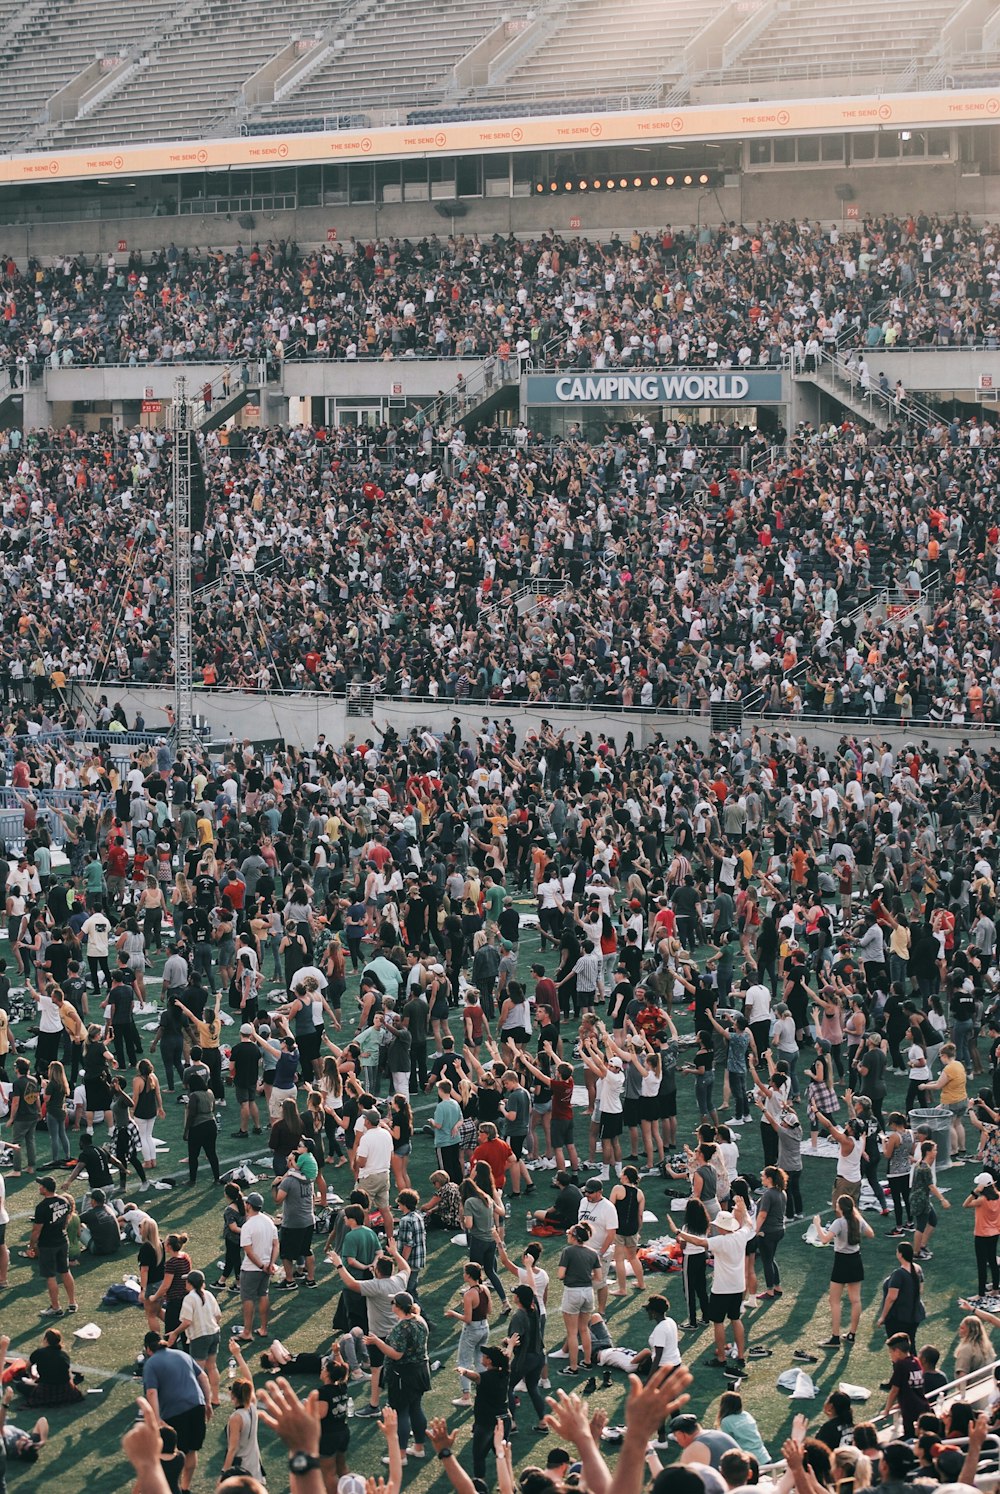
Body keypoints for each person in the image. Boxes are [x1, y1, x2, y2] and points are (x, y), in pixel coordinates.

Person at [675, 1199, 753, 1374]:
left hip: (721, 1289)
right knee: (736, 1319)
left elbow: (699, 1242)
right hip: (738, 1287)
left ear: (721, 1227)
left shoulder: (719, 1241)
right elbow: (748, 1223)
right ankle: (741, 1355)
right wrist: (743, 1208)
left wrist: (680, 1233)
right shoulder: (741, 1236)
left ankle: (721, 1358)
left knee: (718, 1323)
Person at [141, 1332, 212, 1493]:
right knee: (192, 1450)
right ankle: (185, 1488)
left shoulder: (151, 1364)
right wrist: (207, 1403)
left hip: (174, 1413)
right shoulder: (182, 1354)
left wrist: (157, 1419)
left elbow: (151, 1393)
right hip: (197, 1406)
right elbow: (204, 1378)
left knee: (174, 1453)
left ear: (148, 1349)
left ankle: (175, 1488)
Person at [364, 1291, 429, 1467]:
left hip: (403, 1374)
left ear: (398, 1306)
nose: (390, 1304)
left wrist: (377, 1342)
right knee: (416, 1408)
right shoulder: (420, 1321)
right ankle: (419, 1447)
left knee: (401, 1412)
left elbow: (396, 1354)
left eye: (392, 1302)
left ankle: (400, 1456)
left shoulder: (403, 1327)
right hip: (420, 1370)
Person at [814, 1193, 875, 1348]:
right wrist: (858, 1216)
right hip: (856, 1260)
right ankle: (852, 1334)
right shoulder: (857, 1220)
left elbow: (824, 1240)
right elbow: (871, 1234)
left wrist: (817, 1225)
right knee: (855, 1300)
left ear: (840, 1208)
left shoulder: (839, 1223)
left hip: (841, 1261)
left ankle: (835, 1338)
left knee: (834, 1300)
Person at [166, 1270, 222, 1409]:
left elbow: (186, 1322)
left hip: (199, 1337)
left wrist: (174, 1333)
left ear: (189, 1283)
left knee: (199, 1371)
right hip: (214, 1333)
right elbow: (218, 1316)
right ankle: (215, 1397)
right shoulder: (209, 1294)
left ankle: (201, 1401)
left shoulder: (189, 1298)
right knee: (212, 1367)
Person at [27, 1176, 76, 1318]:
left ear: (45, 1188)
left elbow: (36, 1230)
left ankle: (56, 1307)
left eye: (41, 1185)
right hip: (62, 1240)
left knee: (50, 1276)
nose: (39, 1187)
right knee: (65, 1271)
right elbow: (66, 1220)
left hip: (48, 1244)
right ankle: (72, 1303)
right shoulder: (64, 1201)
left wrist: (31, 1246)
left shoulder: (41, 1207)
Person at [557, 1221, 601, 1375]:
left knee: (572, 1332)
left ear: (575, 1236)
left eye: (569, 1233)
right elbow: (598, 1277)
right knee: (584, 1329)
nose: (567, 1235)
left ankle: (573, 1367)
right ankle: (587, 1362)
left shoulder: (568, 1251)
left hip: (572, 1292)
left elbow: (560, 1275)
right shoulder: (592, 1252)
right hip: (588, 1292)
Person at [274, 1145, 318, 1290]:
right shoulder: (309, 1180)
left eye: (291, 1160)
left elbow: (278, 1199)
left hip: (293, 1222)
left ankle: (289, 1280)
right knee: (306, 1250)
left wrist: (274, 1186)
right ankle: (310, 1279)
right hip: (309, 1219)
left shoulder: (289, 1181)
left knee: (286, 1254)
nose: (288, 1161)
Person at [237, 1192, 279, 1342]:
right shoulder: (269, 1221)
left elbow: (248, 1251)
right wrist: (270, 1264)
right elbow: (276, 1244)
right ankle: (263, 1328)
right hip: (267, 1267)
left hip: (252, 1269)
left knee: (248, 1298)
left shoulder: (248, 1226)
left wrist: (262, 1266)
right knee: (263, 1295)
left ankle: (247, 1332)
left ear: (249, 1205)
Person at [220, 1338, 263, 1483]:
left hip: (241, 1468)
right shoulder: (252, 1406)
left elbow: (233, 1448)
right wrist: (237, 1354)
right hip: (254, 1464)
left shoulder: (236, 1417)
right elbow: (248, 1379)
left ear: (233, 1396)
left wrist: (223, 1473)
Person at [875, 1242, 925, 1351]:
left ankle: (903, 1368)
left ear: (900, 1255)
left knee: (897, 1348)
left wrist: (883, 1316)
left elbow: (891, 1297)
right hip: (914, 1315)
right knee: (910, 1346)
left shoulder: (898, 1274)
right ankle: (915, 1367)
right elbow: (920, 1290)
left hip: (898, 1317)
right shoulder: (918, 1269)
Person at [14, 1327, 82, 1407]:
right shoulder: (64, 1355)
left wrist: (32, 1376)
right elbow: (68, 1374)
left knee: (20, 1385)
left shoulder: (39, 1352)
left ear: (46, 1339)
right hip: (66, 1391)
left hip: (45, 1391)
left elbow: (28, 1367)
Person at [882, 1331, 932, 1436]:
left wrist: (886, 1410)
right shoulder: (916, 1361)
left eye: (891, 1352)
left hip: (911, 1411)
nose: (890, 1356)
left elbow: (894, 1390)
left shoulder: (901, 1365)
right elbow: (914, 1387)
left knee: (911, 1437)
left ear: (898, 1351)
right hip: (924, 1407)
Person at [609, 1163, 646, 1297]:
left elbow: (610, 1209)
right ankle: (641, 1283)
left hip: (619, 1228)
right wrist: (638, 1231)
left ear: (625, 1177)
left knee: (619, 1259)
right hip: (632, 1229)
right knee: (632, 1257)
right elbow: (640, 1215)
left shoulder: (617, 1189)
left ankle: (622, 1289)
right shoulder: (640, 1193)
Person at [964, 1171, 1000, 1296]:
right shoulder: (999, 1196)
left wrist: (975, 1191)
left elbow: (966, 1204)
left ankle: (981, 1293)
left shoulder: (982, 1200)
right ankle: (995, 1288)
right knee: (993, 1261)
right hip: (995, 1233)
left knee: (982, 1264)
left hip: (981, 1235)